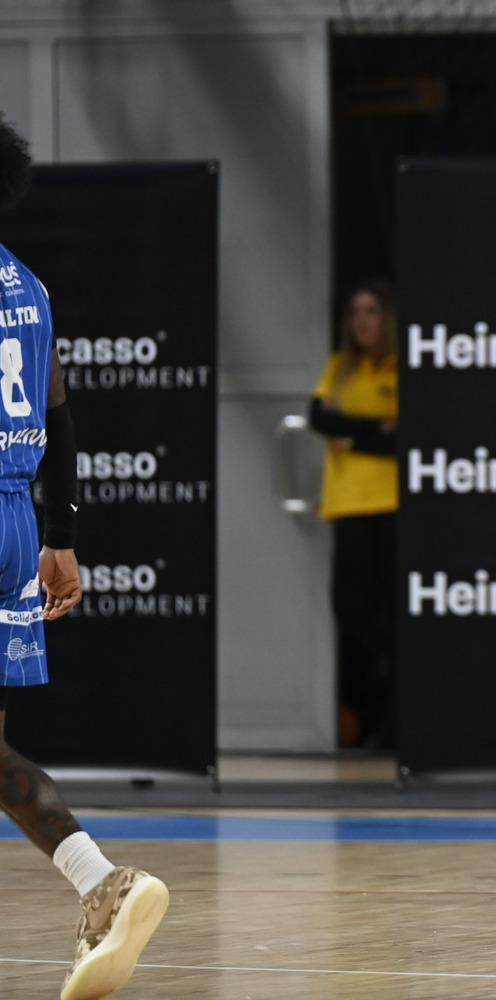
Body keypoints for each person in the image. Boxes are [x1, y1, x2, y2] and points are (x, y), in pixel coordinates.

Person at [0, 113, 169, 999]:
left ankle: (104, 881)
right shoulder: (27, 286)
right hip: (15, 522)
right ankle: (102, 883)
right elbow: (59, 415)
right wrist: (59, 537)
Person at [308, 281, 399, 748]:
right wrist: (373, 429)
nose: (360, 321)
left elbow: (400, 439)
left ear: (387, 318)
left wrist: (350, 435)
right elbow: (318, 418)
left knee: (393, 605)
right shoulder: (341, 366)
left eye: (371, 311)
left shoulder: (400, 366)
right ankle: (403, 661)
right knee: (352, 609)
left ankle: (399, 714)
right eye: (354, 312)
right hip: (347, 502)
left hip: (391, 502)